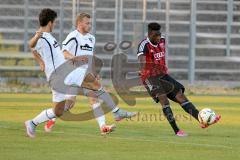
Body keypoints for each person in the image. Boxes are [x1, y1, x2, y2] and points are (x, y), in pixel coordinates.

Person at [25, 8, 136, 138]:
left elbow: (34, 49)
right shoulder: (42, 36)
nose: (55, 24)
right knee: (61, 109)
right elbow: (31, 44)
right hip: (59, 74)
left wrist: (40, 62)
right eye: (54, 22)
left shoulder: (49, 37)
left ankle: (31, 123)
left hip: (65, 73)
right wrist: (70, 58)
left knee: (89, 89)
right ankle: (116, 112)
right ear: (50, 22)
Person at [137, 22, 221, 136]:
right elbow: (142, 62)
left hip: (163, 75)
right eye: (155, 35)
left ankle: (202, 121)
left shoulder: (162, 40)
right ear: (150, 34)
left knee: (181, 96)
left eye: (159, 34)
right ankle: (177, 131)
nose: (158, 37)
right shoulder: (144, 45)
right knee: (164, 101)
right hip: (150, 77)